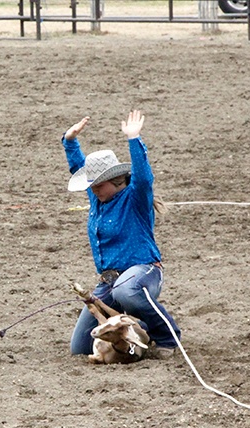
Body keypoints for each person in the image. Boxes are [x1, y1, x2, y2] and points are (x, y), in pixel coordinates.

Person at [61, 110, 181, 360]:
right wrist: (70, 141)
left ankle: (168, 336)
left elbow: (144, 177)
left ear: (116, 180)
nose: (93, 190)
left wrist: (134, 139)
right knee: (81, 346)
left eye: (98, 185)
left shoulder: (136, 197)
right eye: (91, 186)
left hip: (143, 271)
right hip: (108, 282)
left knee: (125, 292)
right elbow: (78, 167)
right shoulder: (98, 198)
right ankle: (140, 330)